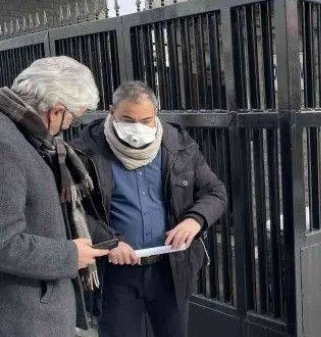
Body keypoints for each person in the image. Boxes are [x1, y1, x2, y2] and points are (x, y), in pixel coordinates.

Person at [71, 81, 227, 337]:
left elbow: (215, 192)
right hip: (115, 273)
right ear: (112, 112)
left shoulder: (179, 146)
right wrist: (109, 241)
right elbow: (71, 210)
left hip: (170, 269)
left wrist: (195, 219)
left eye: (146, 120)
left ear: (156, 112)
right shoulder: (85, 152)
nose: (137, 128)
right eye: (128, 119)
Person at [0, 56, 110, 337]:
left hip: (37, 311)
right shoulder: (6, 146)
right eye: (73, 118)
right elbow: (4, 243)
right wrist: (70, 255)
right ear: (55, 111)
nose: (70, 127)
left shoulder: (27, 137)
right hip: (24, 319)